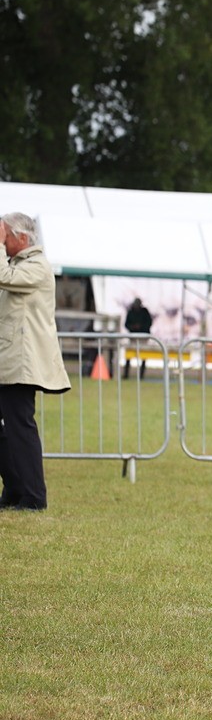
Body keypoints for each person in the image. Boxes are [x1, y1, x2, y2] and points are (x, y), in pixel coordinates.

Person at [0, 213, 71, 511]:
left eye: (6, 235)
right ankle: (16, 488)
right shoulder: (18, 265)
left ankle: (33, 496)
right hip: (9, 360)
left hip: (23, 363)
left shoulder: (37, 267)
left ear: (22, 238)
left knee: (19, 426)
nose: (4, 241)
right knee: (9, 428)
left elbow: (4, 278)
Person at [123, 298, 153, 379]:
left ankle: (141, 375)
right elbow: (126, 324)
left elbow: (149, 323)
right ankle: (126, 374)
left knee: (143, 356)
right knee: (129, 356)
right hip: (133, 337)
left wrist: (141, 327)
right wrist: (133, 327)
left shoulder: (144, 312)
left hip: (143, 336)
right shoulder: (130, 312)